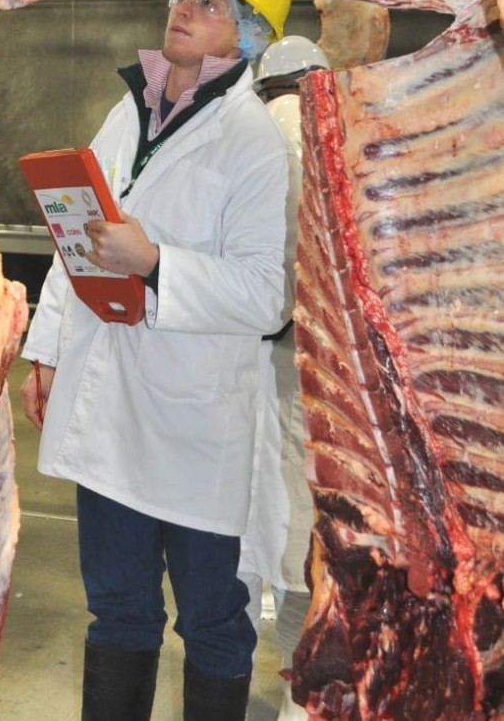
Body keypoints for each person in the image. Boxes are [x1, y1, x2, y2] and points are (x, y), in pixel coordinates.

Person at [18, 0, 296, 721]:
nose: (185, 7)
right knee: (117, 609)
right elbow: (78, 238)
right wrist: (45, 353)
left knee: (212, 621)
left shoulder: (253, 141)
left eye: (209, 2)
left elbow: (264, 294)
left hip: (193, 423)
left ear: (247, 34)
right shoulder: (124, 111)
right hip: (109, 406)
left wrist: (155, 262)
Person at [238, 35, 328, 721]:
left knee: (245, 538)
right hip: (315, 371)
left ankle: (229, 678)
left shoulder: (258, 130)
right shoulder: (333, 135)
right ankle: (303, 698)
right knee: (306, 543)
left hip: (258, 366)